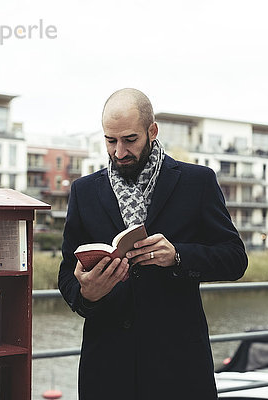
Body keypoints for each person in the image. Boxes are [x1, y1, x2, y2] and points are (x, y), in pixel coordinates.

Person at [58, 88, 248, 400]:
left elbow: (235, 258)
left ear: (152, 131)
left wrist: (178, 256)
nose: (119, 152)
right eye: (110, 140)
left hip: (179, 368)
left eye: (130, 139)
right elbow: (67, 272)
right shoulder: (84, 191)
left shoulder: (197, 181)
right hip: (107, 369)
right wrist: (86, 294)